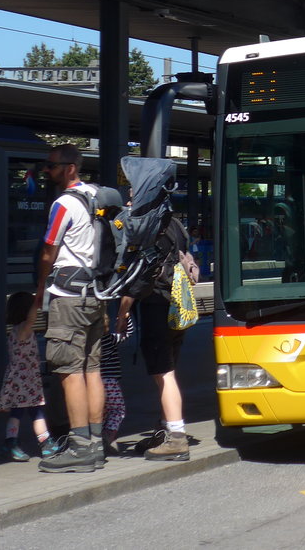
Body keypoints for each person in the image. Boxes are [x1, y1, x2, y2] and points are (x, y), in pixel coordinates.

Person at [117, 156, 198, 463]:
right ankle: (164, 429)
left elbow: (140, 275)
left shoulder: (149, 225)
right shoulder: (173, 222)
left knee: (163, 373)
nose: (130, 193)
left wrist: (123, 311)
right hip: (174, 306)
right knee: (168, 368)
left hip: (156, 305)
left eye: (134, 188)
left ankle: (176, 437)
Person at [35, 144, 107, 474]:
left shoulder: (64, 203)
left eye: (52, 166)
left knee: (69, 371)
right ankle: (96, 444)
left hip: (68, 295)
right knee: (92, 369)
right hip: (95, 294)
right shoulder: (97, 196)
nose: (46, 171)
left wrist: (40, 288)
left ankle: (79, 447)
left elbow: (49, 250)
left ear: (71, 168)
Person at [0, 292, 58, 462]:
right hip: (26, 381)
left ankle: (10, 443)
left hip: (20, 380)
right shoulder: (24, 330)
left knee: (17, 413)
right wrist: (37, 303)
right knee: (37, 412)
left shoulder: (15, 331)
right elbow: (31, 320)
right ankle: (46, 443)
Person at [99, 309, 134, 454]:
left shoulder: (90, 344)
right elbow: (128, 333)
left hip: (96, 382)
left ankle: (98, 435)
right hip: (111, 382)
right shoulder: (111, 338)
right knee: (117, 410)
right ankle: (109, 434)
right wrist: (127, 318)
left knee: (102, 410)